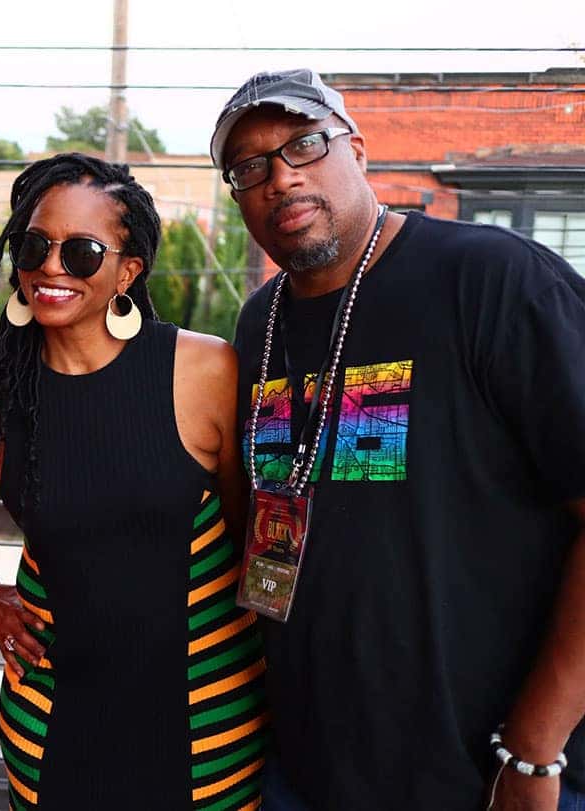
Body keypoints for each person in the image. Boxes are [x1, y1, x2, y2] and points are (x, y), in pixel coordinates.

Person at [211, 68, 585, 810]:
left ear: (358, 149)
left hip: (483, 776)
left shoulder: (492, 280)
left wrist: (536, 750)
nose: (279, 178)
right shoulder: (260, 324)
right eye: (248, 165)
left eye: (303, 145)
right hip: (305, 771)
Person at [0, 153, 268, 810]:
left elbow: (247, 530)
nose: (52, 267)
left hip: (206, 718)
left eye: (83, 251)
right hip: (53, 719)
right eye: (34, 245)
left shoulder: (202, 370)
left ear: (128, 268)